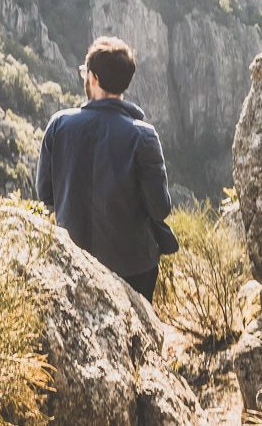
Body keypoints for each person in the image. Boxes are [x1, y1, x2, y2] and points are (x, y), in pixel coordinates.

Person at [36, 35, 175, 301]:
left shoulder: (58, 126)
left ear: (94, 78)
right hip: (133, 269)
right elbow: (160, 209)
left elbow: (46, 195)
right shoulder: (143, 136)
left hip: (75, 264)